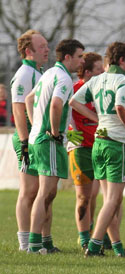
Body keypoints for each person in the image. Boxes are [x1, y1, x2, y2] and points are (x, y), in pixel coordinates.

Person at [70, 41, 125, 257]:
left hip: (99, 142)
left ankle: (117, 247)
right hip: (116, 143)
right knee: (113, 200)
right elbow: (119, 106)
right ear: (122, 60)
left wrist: (97, 119)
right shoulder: (123, 81)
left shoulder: (97, 79)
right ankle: (95, 244)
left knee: (110, 199)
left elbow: (74, 101)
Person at [25, 39, 85, 254]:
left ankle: (46, 242)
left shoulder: (49, 73)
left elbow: (29, 99)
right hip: (48, 141)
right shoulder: (63, 77)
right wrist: (54, 132)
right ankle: (34, 244)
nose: (82, 61)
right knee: (45, 193)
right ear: (67, 57)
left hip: (39, 138)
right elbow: (57, 104)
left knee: (49, 194)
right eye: (79, 56)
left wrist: (35, 126)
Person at [10, 30, 50, 252]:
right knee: (29, 191)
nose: (47, 49)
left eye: (47, 45)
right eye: (42, 46)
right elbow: (18, 110)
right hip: (28, 140)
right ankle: (24, 243)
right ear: (28, 51)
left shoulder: (39, 71)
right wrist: (25, 143)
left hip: (37, 139)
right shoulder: (25, 74)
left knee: (41, 191)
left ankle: (41, 240)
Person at [67, 52, 104, 249]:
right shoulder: (74, 90)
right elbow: (63, 116)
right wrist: (71, 137)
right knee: (83, 196)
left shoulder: (100, 90)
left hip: (98, 146)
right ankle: (83, 238)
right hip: (80, 149)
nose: (104, 72)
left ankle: (93, 230)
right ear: (88, 72)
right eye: (99, 69)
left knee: (94, 195)